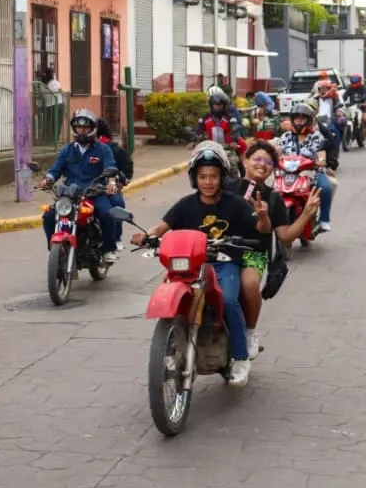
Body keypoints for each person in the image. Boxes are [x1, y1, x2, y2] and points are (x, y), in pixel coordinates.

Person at [131, 144, 269, 385]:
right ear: (195, 178)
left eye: (213, 176)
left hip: (224, 264)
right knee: (174, 298)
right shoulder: (185, 205)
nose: (208, 182)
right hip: (190, 267)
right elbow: (162, 226)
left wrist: (263, 217)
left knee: (227, 300)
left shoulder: (235, 204)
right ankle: (172, 345)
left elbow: (260, 230)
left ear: (222, 177)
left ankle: (240, 357)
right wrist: (147, 235)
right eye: (202, 176)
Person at [231, 140, 317, 359]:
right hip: (220, 250)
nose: (262, 165)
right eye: (257, 159)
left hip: (253, 254)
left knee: (249, 283)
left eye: (268, 162)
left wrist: (306, 213)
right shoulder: (226, 187)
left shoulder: (274, 197)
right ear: (245, 160)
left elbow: (285, 236)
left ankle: (250, 332)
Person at [40, 109, 121, 263]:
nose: (82, 130)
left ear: (92, 129)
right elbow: (55, 169)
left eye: (85, 128)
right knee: (49, 216)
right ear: (74, 128)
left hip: (94, 193)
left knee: (107, 214)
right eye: (79, 127)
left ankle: (108, 249)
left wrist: (111, 182)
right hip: (70, 195)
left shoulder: (103, 149)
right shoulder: (67, 150)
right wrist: (48, 179)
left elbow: (110, 167)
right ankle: (54, 249)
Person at [276, 103, 336, 234]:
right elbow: (277, 151)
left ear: (309, 120)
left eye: (302, 119)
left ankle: (324, 220)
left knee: (325, 187)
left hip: (310, 172)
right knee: (271, 190)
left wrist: (321, 161)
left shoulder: (316, 136)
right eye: (296, 118)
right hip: (287, 172)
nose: (299, 122)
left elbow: (321, 152)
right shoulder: (286, 137)